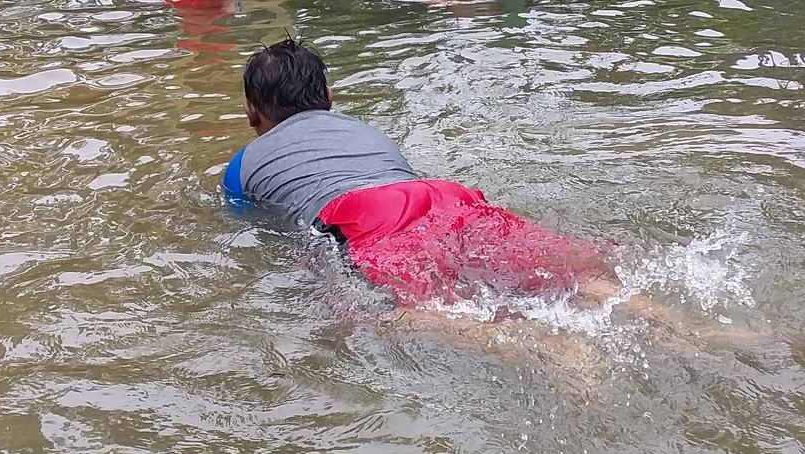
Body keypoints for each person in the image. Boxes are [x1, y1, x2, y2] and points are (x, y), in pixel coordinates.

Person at [223, 38, 615, 309]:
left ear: (250, 110)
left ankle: (550, 348)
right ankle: (639, 306)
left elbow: (251, 226)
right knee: (558, 271)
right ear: (328, 96)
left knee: (410, 313)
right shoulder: (363, 130)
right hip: (441, 195)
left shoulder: (244, 164)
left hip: (359, 215)